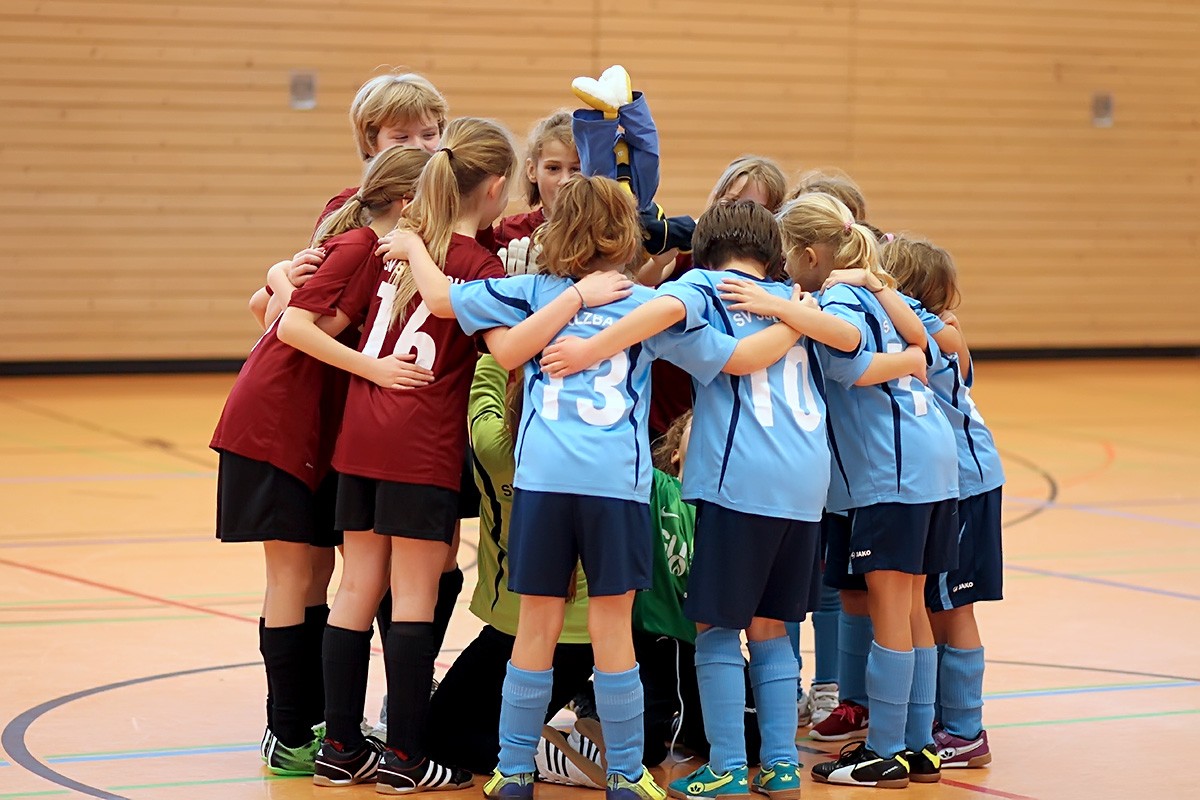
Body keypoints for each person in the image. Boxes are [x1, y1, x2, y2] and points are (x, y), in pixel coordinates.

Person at [389, 174, 797, 800]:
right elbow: (739, 359)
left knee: (536, 628)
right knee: (613, 631)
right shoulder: (646, 304)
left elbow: (442, 299)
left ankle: (514, 770)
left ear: (555, 231)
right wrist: (796, 318)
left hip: (544, 484)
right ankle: (626, 774)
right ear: (627, 236)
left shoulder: (530, 292)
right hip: (616, 486)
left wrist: (414, 246)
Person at [281, 118, 630, 792]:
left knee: (355, 588)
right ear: (496, 187)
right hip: (419, 443)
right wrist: (573, 300)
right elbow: (511, 347)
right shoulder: (474, 264)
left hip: (360, 434)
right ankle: (407, 759)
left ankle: (339, 747)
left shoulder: (396, 247)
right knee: (413, 595)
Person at [540, 200, 861, 800]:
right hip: (806, 483)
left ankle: (730, 766)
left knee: (715, 628)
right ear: (773, 254)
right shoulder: (797, 299)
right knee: (771, 626)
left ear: (706, 253)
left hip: (744, 479)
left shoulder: (709, 287)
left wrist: (590, 348)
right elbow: (853, 341)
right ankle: (782, 766)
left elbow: (663, 308)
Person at [210, 145, 433, 775]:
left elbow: (284, 309)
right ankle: (287, 733)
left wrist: (283, 280)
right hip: (274, 426)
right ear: (409, 202)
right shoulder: (361, 244)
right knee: (291, 575)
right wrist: (376, 369)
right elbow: (289, 325)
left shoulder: (375, 250)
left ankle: (306, 724)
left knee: (314, 571)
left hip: (306, 431)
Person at [762, 193, 957, 789]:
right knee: (913, 604)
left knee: (890, 607)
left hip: (890, 468)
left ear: (808, 254)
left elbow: (853, 365)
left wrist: (787, 309)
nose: (782, 268)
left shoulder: (838, 301)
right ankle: (920, 746)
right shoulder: (874, 291)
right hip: (931, 460)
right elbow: (931, 342)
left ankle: (886, 749)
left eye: (786, 256)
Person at [425, 353, 596, 777]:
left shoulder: (494, 449)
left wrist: (509, 341)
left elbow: (486, 377)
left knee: (438, 736)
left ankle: (540, 757)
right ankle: (591, 740)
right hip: (591, 639)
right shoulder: (599, 454)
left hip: (517, 629)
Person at [880, 236, 1004, 769]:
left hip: (966, 483)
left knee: (955, 606)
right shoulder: (932, 327)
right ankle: (936, 718)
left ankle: (966, 729)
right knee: (934, 603)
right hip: (946, 483)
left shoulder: (934, 334)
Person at [493, 111, 581, 274]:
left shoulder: (604, 234)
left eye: (576, 169)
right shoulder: (510, 233)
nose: (565, 181)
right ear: (532, 170)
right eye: (553, 168)